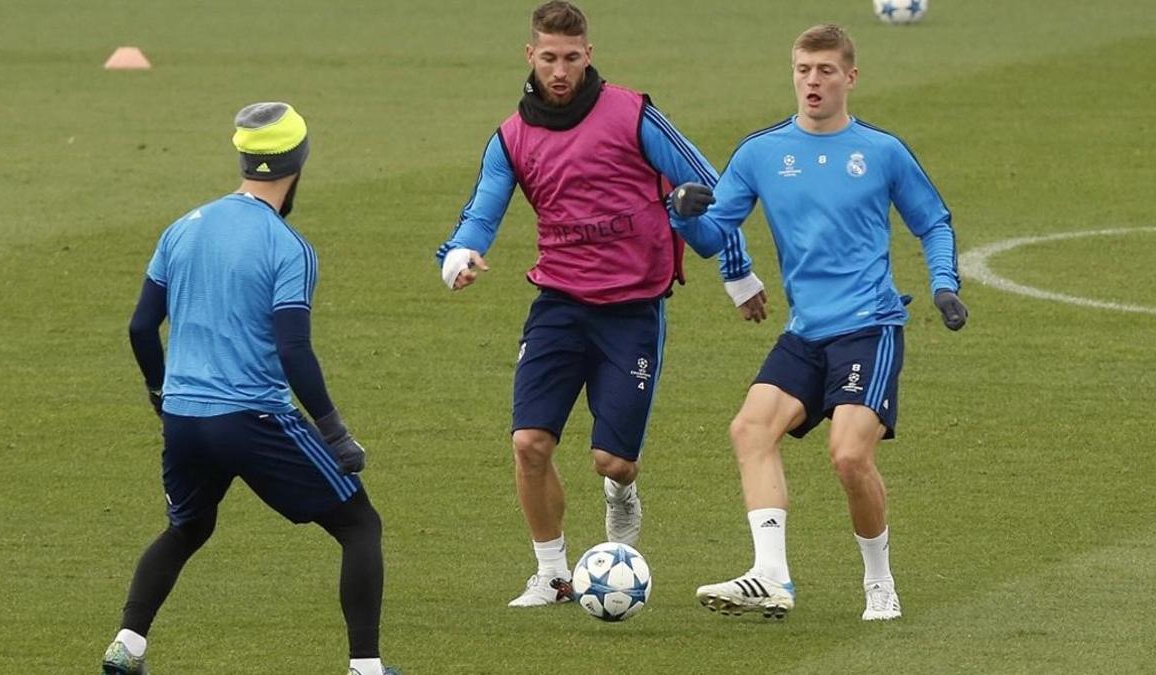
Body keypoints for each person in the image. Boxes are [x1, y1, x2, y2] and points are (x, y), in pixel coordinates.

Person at [435, 1, 761, 608]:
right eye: (550, 58)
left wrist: (737, 274)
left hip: (632, 311)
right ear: (530, 57)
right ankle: (552, 576)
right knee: (530, 443)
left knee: (613, 462)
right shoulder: (511, 137)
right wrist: (459, 257)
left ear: (590, 55)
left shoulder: (632, 114)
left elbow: (709, 189)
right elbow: (480, 212)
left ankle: (622, 494)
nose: (561, 71)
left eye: (573, 58)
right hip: (558, 302)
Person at [668, 24, 968, 621]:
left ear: (849, 78)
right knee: (749, 430)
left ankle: (879, 582)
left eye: (825, 70)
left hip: (870, 326)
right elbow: (712, 235)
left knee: (849, 456)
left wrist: (944, 286)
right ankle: (772, 576)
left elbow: (933, 221)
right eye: (804, 69)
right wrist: (682, 214)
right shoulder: (760, 154)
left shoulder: (882, 152)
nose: (812, 81)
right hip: (806, 332)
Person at [100, 102, 397, 675]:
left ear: (244, 157)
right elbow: (293, 350)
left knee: (187, 526)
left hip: (184, 419)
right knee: (360, 525)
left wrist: (162, 396)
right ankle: (366, 668)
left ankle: (127, 644)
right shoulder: (288, 247)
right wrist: (335, 433)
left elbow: (140, 327)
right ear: (300, 160)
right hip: (253, 419)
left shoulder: (183, 227)